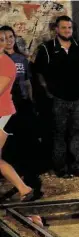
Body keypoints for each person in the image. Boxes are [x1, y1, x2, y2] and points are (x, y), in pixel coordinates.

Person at [34, 15, 79, 178]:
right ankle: (60, 169)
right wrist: (47, 91)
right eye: (63, 27)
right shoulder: (47, 49)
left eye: (69, 28)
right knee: (58, 135)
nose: (67, 30)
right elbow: (39, 73)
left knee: (78, 133)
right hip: (58, 100)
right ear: (56, 29)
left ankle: (76, 167)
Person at [0, 25, 43, 198]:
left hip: (6, 112)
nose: (6, 41)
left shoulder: (10, 63)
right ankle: (24, 189)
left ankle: (26, 187)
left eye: (8, 38)